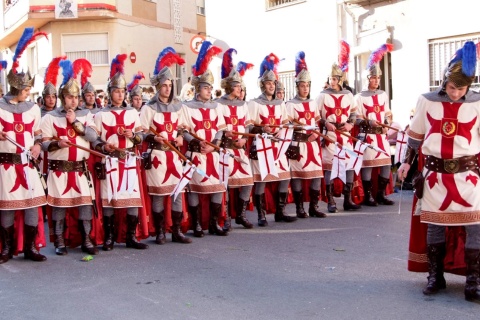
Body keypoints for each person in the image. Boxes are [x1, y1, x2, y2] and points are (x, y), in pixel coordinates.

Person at [398, 41, 480, 302]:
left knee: (475, 226)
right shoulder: (426, 101)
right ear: (445, 81)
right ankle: (435, 276)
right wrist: (406, 162)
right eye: (453, 87)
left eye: (462, 88)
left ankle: (473, 281)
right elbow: (415, 137)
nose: (456, 93)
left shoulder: (478, 103)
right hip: (435, 175)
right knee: (434, 226)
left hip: (467, 175)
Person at [40, 58, 98, 256]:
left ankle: (87, 240)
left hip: (80, 170)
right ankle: (59, 241)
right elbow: (45, 144)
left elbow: (92, 136)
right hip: (59, 169)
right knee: (59, 208)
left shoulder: (87, 115)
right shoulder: (50, 117)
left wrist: (76, 123)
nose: (73, 100)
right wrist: (58, 144)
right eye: (69, 97)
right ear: (62, 98)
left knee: (84, 206)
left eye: (76, 97)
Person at [0, 28, 48, 263]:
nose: (29, 92)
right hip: (7, 166)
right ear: (16, 86)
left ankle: (30, 248)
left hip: (28, 165)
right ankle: (7, 249)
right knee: (8, 208)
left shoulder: (33, 108)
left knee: (31, 206)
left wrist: (38, 145)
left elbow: (37, 134)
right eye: (27, 88)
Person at [92, 54, 148, 251]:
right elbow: (95, 140)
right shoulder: (100, 115)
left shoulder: (133, 113)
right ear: (110, 93)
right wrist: (103, 146)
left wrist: (132, 135)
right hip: (111, 162)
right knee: (110, 200)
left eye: (123, 91)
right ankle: (109, 237)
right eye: (116, 91)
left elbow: (141, 138)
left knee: (131, 198)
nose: (120, 95)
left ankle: (131, 236)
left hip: (129, 160)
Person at [140, 47, 191, 244]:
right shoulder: (149, 108)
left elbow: (183, 128)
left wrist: (179, 136)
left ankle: (176, 231)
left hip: (174, 155)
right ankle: (160, 231)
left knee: (177, 193)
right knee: (159, 194)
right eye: (164, 85)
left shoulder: (178, 106)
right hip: (158, 157)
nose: (167, 88)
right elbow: (142, 132)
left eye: (170, 85)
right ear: (158, 87)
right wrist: (154, 139)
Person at [181, 41, 227, 236]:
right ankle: (197, 224)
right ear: (198, 88)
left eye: (210, 88)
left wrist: (214, 146)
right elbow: (182, 131)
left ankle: (215, 223)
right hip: (196, 154)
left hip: (212, 154)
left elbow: (219, 130)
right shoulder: (186, 107)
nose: (209, 91)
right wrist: (195, 143)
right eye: (206, 87)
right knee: (196, 189)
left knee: (216, 188)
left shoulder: (217, 107)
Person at [248, 53, 296, 226]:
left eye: (273, 83)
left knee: (284, 178)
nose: (271, 86)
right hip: (262, 147)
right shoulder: (254, 104)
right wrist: (262, 128)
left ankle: (280, 212)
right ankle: (261, 215)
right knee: (262, 179)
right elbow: (249, 126)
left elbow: (285, 122)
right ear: (262, 85)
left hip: (278, 147)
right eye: (268, 83)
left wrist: (284, 129)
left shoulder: (280, 104)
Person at [216, 48, 254, 231]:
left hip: (240, 148)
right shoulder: (219, 105)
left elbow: (246, 125)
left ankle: (241, 214)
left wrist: (244, 139)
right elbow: (218, 128)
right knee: (226, 184)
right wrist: (226, 135)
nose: (240, 89)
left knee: (247, 180)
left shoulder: (243, 104)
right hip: (226, 149)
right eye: (238, 86)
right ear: (230, 86)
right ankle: (227, 218)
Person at [286, 52, 326, 218]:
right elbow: (287, 127)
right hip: (299, 144)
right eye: (302, 86)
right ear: (297, 87)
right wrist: (299, 130)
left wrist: (317, 135)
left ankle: (314, 207)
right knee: (298, 176)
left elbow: (317, 123)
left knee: (317, 174)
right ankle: (300, 208)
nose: (305, 89)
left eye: (307, 86)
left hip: (312, 144)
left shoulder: (312, 103)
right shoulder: (290, 105)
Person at [354, 43, 394, 206]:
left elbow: (388, 113)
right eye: (373, 77)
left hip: (381, 135)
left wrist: (386, 123)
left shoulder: (383, 94)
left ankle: (380, 194)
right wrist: (367, 120)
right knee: (368, 165)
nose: (376, 80)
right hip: (368, 135)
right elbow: (356, 118)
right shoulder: (359, 97)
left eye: (378, 77)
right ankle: (368, 196)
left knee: (386, 163)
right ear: (367, 79)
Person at [317, 61, 359, 212]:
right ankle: (331, 200)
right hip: (330, 136)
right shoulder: (322, 96)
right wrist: (325, 123)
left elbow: (353, 113)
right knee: (329, 167)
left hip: (345, 134)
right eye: (330, 78)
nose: (332, 82)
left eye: (335, 79)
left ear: (340, 80)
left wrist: (350, 124)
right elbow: (317, 116)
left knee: (349, 166)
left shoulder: (348, 95)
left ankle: (347, 199)